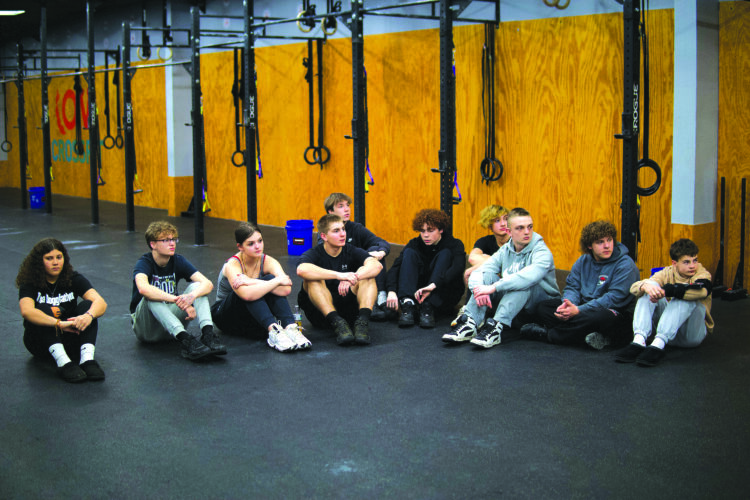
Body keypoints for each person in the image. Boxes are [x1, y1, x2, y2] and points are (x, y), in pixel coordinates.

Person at [442, 207, 560, 348]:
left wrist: (493, 287)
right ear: (509, 232)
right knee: (487, 276)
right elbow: (481, 271)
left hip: (538, 308)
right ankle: (470, 324)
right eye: (520, 228)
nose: (527, 232)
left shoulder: (541, 251)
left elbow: (528, 277)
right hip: (513, 307)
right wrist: (479, 290)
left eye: (530, 227)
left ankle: (495, 327)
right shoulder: (505, 249)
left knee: (521, 284)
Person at [520, 220, 640, 349]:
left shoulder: (625, 264)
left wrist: (578, 311)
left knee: (599, 318)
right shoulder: (583, 260)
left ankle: (550, 335)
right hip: (582, 307)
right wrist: (568, 305)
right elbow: (573, 286)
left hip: (611, 313)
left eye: (609, 240)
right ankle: (589, 337)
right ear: (589, 246)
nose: (607, 246)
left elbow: (613, 299)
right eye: (600, 242)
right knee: (544, 307)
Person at [130, 221, 226, 361]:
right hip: (147, 330)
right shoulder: (144, 262)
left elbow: (208, 284)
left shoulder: (178, 260)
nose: (172, 243)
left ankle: (208, 335)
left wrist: (191, 297)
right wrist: (178, 300)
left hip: (170, 327)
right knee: (151, 295)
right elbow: (143, 288)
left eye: (174, 239)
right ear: (153, 244)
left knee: (197, 287)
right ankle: (185, 340)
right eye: (166, 240)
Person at [16, 238, 108, 383]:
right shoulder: (30, 283)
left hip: (70, 339)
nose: (55, 262)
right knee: (43, 309)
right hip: (40, 343)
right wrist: (58, 324)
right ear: (39, 262)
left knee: (88, 305)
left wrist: (88, 316)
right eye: (49, 258)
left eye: (59, 257)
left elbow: (100, 302)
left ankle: (87, 360)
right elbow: (26, 311)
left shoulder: (72, 278)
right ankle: (63, 362)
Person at [211, 222, 311, 352]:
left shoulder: (268, 261)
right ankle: (274, 331)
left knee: (268, 283)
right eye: (251, 244)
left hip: (250, 315)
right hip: (225, 317)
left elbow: (286, 289)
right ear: (240, 247)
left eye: (260, 241)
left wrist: (250, 281)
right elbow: (247, 295)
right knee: (265, 284)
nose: (257, 246)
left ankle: (290, 327)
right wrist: (275, 281)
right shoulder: (232, 265)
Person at [614, 238, 713, 367]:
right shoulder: (667, 272)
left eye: (695, 260)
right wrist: (646, 287)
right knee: (649, 288)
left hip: (691, 336)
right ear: (674, 263)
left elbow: (702, 292)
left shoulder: (702, 273)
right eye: (686, 262)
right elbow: (633, 288)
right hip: (669, 333)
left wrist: (667, 291)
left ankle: (658, 345)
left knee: (687, 294)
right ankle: (639, 341)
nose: (692, 265)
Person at [297, 213, 382, 346]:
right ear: (324, 236)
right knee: (312, 279)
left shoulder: (351, 250)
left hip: (348, 312)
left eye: (343, 229)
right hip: (322, 316)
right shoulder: (314, 253)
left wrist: (353, 277)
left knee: (367, 275)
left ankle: (362, 322)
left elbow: (376, 266)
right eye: (336, 231)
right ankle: (337, 321)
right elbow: (302, 270)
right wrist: (339, 275)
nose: (342, 234)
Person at [385, 209, 466, 329]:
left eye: (430, 230)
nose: (426, 235)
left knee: (445, 254)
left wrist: (434, 285)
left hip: (443, 294)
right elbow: (395, 268)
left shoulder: (454, 244)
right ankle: (408, 304)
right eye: (422, 231)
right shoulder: (415, 243)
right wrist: (391, 291)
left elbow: (458, 268)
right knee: (409, 253)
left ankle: (429, 306)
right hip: (419, 294)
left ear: (441, 230)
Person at [322, 193, 391, 320]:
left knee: (374, 251)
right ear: (331, 211)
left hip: (359, 276)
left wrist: (381, 252)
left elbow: (381, 242)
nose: (347, 209)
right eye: (341, 206)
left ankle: (380, 297)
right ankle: (369, 302)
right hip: (339, 279)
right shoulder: (326, 232)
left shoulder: (355, 228)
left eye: (348, 205)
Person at [464, 205, 510, 284]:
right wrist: (498, 263)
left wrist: (477, 266)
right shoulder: (485, 241)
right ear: (489, 225)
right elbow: (472, 258)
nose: (503, 224)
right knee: (479, 275)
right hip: (491, 283)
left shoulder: (517, 241)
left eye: (506, 219)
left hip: (512, 283)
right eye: (497, 220)